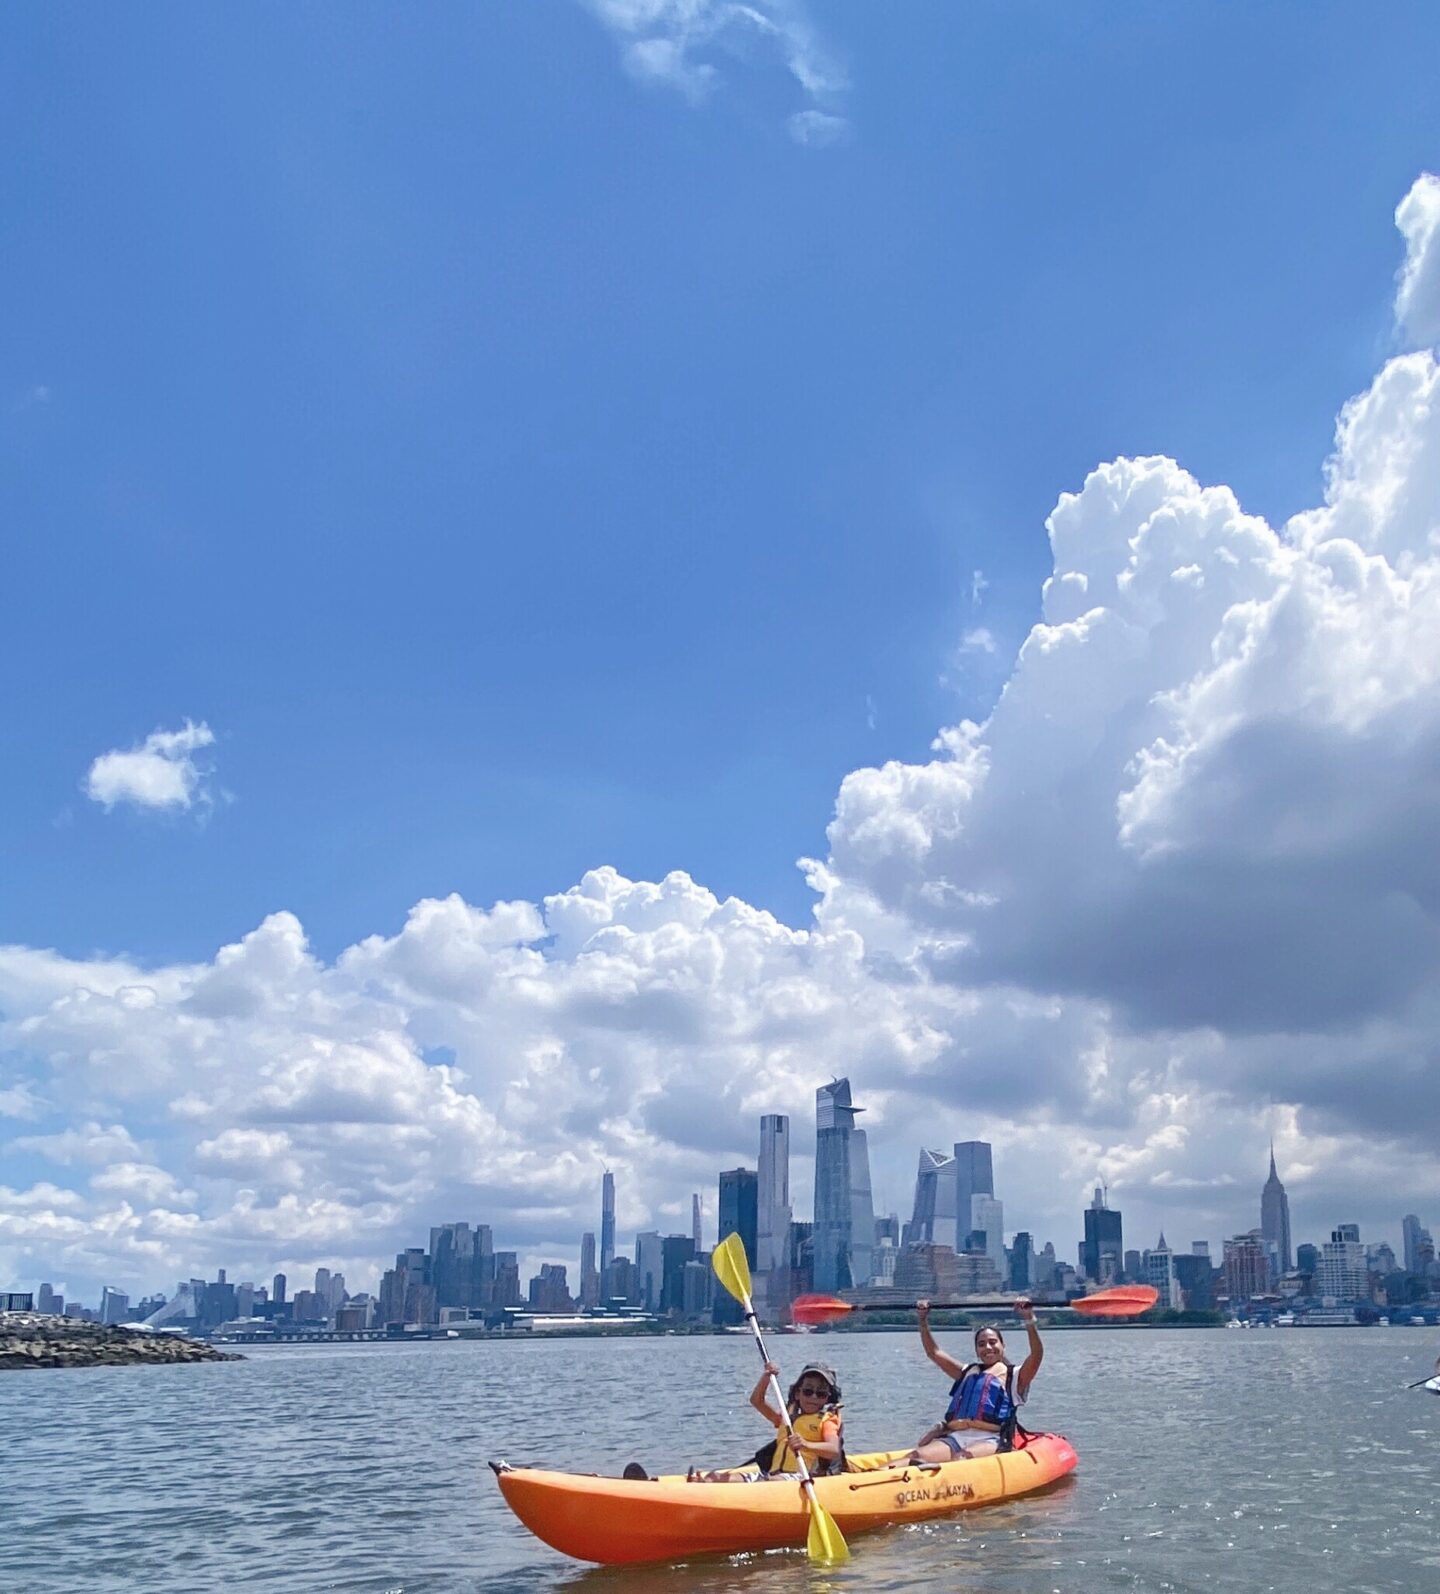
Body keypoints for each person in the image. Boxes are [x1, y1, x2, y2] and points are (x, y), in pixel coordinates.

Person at [903, 1299, 1042, 1463]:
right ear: (977, 1351)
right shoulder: (967, 1372)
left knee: (962, 1458)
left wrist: (1029, 1318)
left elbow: (1036, 1355)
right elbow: (933, 1352)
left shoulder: (1015, 1376)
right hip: (956, 1437)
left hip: (991, 1439)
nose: (988, 1348)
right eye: (982, 1344)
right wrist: (922, 1319)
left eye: (993, 1342)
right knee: (916, 1456)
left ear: (1003, 1346)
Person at [690, 1360, 845, 1481]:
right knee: (715, 1478)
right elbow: (757, 1401)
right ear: (798, 1394)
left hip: (801, 1478)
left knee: (770, 1480)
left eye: (821, 1393)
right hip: (772, 1475)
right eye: (808, 1391)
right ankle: (700, 1487)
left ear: (827, 1399)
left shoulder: (827, 1420)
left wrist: (805, 1444)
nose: (813, 1397)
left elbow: (833, 1449)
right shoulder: (786, 1418)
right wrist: (766, 1377)